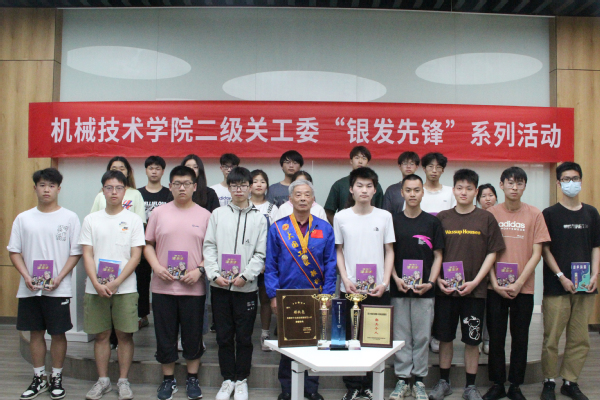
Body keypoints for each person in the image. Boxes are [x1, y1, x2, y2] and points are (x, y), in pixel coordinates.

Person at [429, 169, 505, 400]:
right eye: (460, 188)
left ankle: (470, 387)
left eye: (469, 188)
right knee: (445, 338)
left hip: (475, 292)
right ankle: (444, 382)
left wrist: (476, 282)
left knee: (472, 339)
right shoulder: (442, 218)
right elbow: (435, 253)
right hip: (446, 291)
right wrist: (438, 279)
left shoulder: (486, 218)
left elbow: (492, 253)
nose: (464, 192)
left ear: (476, 191)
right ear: (453, 190)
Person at [8, 168, 82, 400]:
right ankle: (39, 377)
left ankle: (56, 377)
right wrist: (26, 276)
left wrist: (60, 277)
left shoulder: (70, 218)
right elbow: (14, 251)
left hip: (58, 288)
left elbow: (76, 252)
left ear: (59, 189)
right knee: (35, 332)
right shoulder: (23, 218)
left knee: (58, 333)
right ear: (35, 188)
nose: (46, 190)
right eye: (42, 185)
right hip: (30, 288)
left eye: (51, 186)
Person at [265, 179, 337, 400]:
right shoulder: (278, 228)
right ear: (290, 199)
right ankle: (287, 388)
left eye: (307, 194)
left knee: (315, 342)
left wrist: (328, 293)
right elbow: (271, 264)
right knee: (289, 344)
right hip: (287, 294)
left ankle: (311, 388)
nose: (303, 198)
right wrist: (273, 295)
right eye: (298, 195)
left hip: (316, 294)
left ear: (313, 199)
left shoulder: (324, 228)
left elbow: (330, 263)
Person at [144, 165, 211, 400]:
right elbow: (148, 244)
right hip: (162, 286)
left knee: (193, 336)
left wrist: (200, 270)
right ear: (170, 186)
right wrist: (156, 267)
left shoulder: (205, 215)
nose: (182, 188)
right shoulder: (158, 213)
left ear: (195, 187)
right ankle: (168, 379)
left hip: (194, 287)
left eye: (187, 184)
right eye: (177, 184)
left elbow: (212, 250)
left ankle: (192, 378)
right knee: (165, 335)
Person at [483, 167, 550, 400]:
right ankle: (497, 384)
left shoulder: (535, 214)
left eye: (519, 183)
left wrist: (520, 283)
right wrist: (494, 283)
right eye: (510, 182)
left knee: (520, 338)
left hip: (524, 288)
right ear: (501, 185)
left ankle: (515, 385)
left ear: (524, 187)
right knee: (496, 338)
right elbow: (487, 252)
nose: (514, 187)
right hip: (495, 288)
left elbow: (537, 253)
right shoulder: (491, 214)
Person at [203, 167, 268, 400]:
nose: (238, 189)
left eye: (242, 185)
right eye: (234, 185)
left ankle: (241, 380)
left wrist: (246, 276)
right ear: (228, 188)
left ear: (250, 187)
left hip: (246, 288)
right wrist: (213, 275)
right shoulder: (218, 214)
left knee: (244, 337)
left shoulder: (259, 218)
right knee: (223, 336)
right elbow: (209, 246)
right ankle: (227, 379)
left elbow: (260, 253)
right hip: (220, 286)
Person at [79, 170, 145, 400]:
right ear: (103, 190)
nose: (114, 192)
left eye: (118, 188)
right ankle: (103, 381)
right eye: (109, 187)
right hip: (95, 288)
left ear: (125, 191)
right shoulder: (91, 219)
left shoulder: (133, 220)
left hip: (125, 288)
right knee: (101, 336)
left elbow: (136, 256)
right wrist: (96, 283)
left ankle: (123, 381)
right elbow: (87, 254)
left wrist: (117, 282)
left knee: (125, 335)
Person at [334, 167, 395, 400]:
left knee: (375, 338)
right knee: (350, 337)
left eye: (369, 186)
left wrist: (385, 281)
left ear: (375, 190)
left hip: (378, 289)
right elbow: (338, 251)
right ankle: (352, 386)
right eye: (359, 185)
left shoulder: (384, 216)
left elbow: (390, 251)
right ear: (351, 189)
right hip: (350, 289)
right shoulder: (341, 217)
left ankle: (370, 385)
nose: (364, 190)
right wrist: (345, 278)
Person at [540, 162, 599, 400]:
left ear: (581, 181)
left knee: (579, 338)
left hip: (585, 285)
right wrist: (561, 276)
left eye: (575, 178)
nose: (571, 183)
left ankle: (570, 381)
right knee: (551, 338)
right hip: (557, 286)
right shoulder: (549, 214)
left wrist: (595, 275)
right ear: (558, 183)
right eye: (566, 179)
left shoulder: (591, 213)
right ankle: (549, 381)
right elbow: (545, 250)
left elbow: (596, 246)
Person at [388, 174, 444, 400]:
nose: (412, 194)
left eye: (417, 190)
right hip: (399, 288)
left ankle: (419, 380)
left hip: (425, 291)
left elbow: (438, 256)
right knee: (401, 336)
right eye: (408, 190)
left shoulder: (433, 222)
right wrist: (394, 278)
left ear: (423, 192)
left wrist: (430, 282)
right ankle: (402, 380)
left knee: (422, 337)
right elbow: (388, 254)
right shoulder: (392, 221)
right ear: (402, 192)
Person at [420, 152, 456, 353]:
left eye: (438, 167)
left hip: (445, 247)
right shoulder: (418, 190)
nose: (434, 171)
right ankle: (421, 336)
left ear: (443, 170)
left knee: (441, 295)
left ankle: (436, 335)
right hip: (421, 248)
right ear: (423, 168)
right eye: (430, 166)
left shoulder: (450, 192)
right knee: (423, 290)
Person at [137, 155, 171, 329]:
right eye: (151, 168)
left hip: (163, 244)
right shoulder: (137, 194)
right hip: (142, 244)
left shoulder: (169, 193)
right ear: (146, 171)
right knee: (141, 280)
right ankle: (142, 315)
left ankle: (165, 316)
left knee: (164, 278)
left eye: (158, 168)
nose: (154, 171)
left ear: (163, 171)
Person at [249, 169, 279, 351]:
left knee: (265, 298)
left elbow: (275, 238)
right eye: (255, 181)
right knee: (245, 299)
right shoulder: (243, 205)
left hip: (266, 261)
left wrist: (266, 262)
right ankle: (243, 334)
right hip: (245, 260)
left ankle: (265, 334)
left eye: (262, 181)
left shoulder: (272, 209)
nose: (259, 184)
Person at [324, 146, 384, 224]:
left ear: (368, 163)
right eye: (357, 158)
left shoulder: (375, 186)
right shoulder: (339, 184)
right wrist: (340, 226)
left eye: (364, 158)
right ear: (351, 161)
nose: (360, 161)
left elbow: (380, 210)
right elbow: (329, 211)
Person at [476, 183, 498, 355]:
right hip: (478, 270)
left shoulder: (500, 216)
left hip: (497, 271)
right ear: (478, 200)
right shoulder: (476, 217)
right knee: (478, 308)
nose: (487, 199)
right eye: (483, 196)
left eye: (491, 195)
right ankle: (476, 340)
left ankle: (488, 340)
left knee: (491, 309)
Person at [91, 156, 146, 224]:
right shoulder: (100, 195)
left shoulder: (136, 194)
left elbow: (140, 221)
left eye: (122, 169)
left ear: (128, 173)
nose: (118, 172)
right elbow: (92, 219)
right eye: (114, 169)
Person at [382, 151, 420, 216]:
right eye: (405, 163)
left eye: (411, 164)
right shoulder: (392, 190)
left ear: (417, 167)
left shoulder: (421, 189)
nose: (408, 166)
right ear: (399, 166)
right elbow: (385, 214)